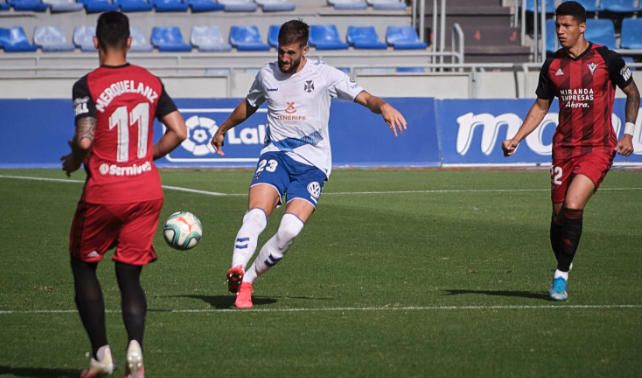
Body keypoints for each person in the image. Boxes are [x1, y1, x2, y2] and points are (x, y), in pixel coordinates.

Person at [210, 20, 407, 309]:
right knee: (256, 214)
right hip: (276, 155)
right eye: (280, 52)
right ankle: (237, 268)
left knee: (289, 229)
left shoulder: (325, 75)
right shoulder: (266, 75)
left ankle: (248, 281)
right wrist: (223, 129)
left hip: (313, 164)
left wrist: (384, 107)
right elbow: (249, 105)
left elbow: (364, 97)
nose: (284, 59)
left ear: (305, 49)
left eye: (291, 53)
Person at [60, 11, 187, 378]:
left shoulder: (88, 85)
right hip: (146, 190)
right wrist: (147, 156)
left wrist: (73, 159)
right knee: (129, 278)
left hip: (105, 192)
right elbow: (178, 131)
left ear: (95, 41)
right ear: (130, 41)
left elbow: (85, 140)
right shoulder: (150, 81)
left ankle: (101, 353)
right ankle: (135, 350)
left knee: (83, 266)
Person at [502, 1, 639, 301]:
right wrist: (517, 138)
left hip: (598, 147)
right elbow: (540, 107)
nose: (560, 31)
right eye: (557, 26)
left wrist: (628, 133)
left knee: (574, 205)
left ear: (581, 27)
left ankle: (560, 276)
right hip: (563, 148)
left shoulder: (607, 59)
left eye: (566, 26)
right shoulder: (552, 65)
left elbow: (632, 93)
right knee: (559, 217)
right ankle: (565, 258)